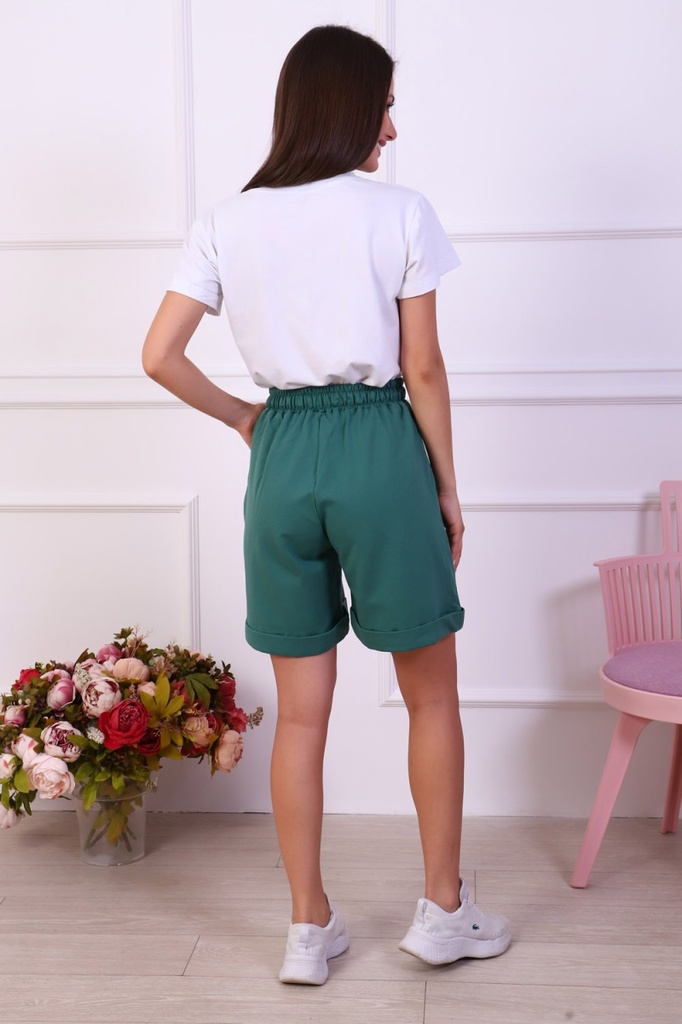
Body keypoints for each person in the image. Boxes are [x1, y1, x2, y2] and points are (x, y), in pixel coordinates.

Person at [142, 24, 511, 985]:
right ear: (348, 106)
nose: (392, 127)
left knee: (302, 716)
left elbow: (158, 356)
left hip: (284, 454)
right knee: (431, 694)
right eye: (384, 106)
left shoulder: (227, 220)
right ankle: (443, 912)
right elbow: (422, 367)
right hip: (379, 446)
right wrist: (446, 486)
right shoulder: (401, 213)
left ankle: (308, 928)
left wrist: (244, 418)